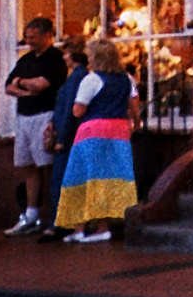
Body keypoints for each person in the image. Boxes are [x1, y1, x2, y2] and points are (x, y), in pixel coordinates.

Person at [54, 37, 140, 244]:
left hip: (93, 131)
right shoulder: (127, 79)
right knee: (110, 177)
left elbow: (78, 110)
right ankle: (102, 225)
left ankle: (86, 227)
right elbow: (134, 107)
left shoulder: (92, 80)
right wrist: (136, 124)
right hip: (119, 130)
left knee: (82, 176)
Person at [3, 17, 69, 236]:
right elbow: (8, 86)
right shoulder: (25, 59)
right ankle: (31, 215)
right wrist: (25, 87)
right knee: (28, 166)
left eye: (33, 37)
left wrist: (22, 83)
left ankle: (55, 215)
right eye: (27, 37)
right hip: (23, 116)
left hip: (45, 116)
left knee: (47, 166)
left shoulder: (56, 59)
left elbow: (42, 85)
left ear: (47, 34)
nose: (28, 41)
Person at [40, 39, 89, 242]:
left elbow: (72, 108)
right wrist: (53, 121)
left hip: (69, 137)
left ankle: (60, 223)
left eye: (67, 53)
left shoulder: (78, 76)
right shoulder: (75, 76)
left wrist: (63, 137)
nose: (64, 56)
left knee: (61, 179)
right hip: (65, 131)